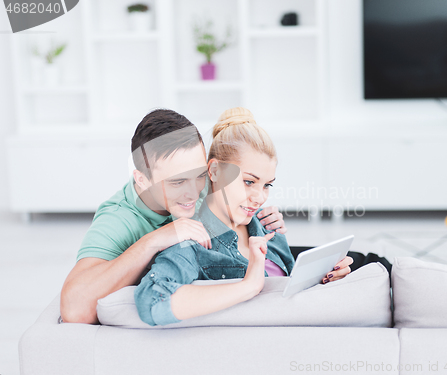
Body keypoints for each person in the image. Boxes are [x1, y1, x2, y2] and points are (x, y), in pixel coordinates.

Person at [60, 109, 288, 324]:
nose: (194, 192)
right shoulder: (118, 219)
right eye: (177, 182)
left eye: (200, 175)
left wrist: (260, 214)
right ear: (142, 179)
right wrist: (153, 241)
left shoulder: (203, 180)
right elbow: (74, 309)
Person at [134, 108, 354, 326]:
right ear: (215, 171)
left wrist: (324, 280)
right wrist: (248, 286)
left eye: (267, 185)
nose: (259, 198)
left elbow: (291, 293)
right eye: (249, 182)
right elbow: (151, 301)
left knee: (367, 261)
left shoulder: (268, 226)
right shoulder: (193, 243)